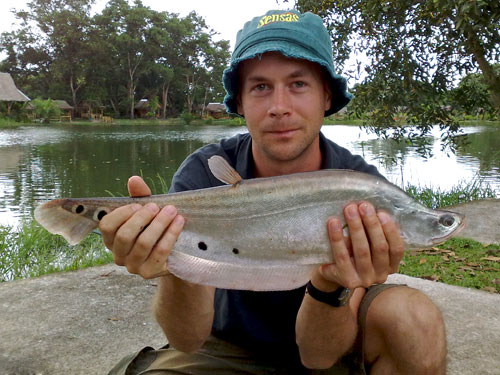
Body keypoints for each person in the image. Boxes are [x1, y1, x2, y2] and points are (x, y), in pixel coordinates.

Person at [101, 9, 446, 375]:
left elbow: (318, 356)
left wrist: (331, 283)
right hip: (222, 347)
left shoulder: (360, 187)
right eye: (261, 87)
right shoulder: (204, 172)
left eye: (298, 84)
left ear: (326, 97)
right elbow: (187, 339)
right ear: (240, 102)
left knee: (414, 319)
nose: (279, 108)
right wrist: (170, 263)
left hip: (331, 341)